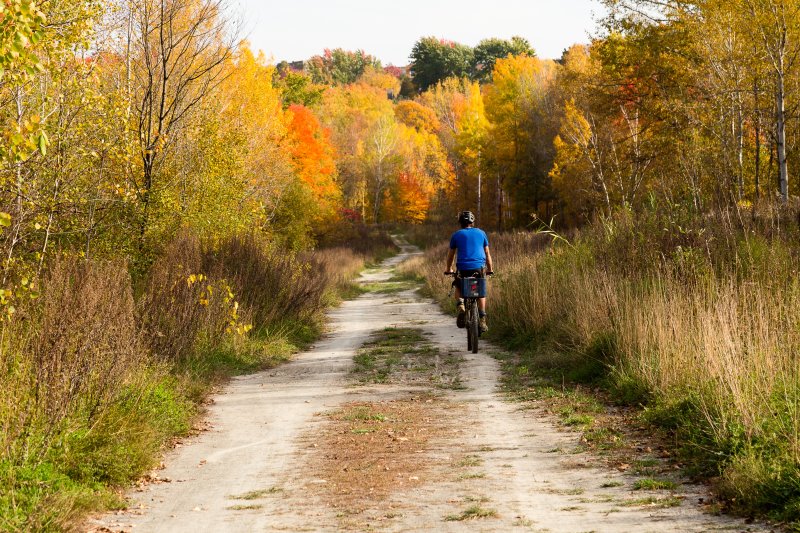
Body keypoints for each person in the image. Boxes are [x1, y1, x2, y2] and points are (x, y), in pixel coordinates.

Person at [444, 210, 494, 332]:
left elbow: (451, 255)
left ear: (460, 222)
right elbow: (487, 253)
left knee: (458, 286)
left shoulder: (456, 235)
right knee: (480, 291)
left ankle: (461, 304)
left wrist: (448, 269)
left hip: (463, 268)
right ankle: (482, 319)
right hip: (479, 268)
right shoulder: (481, 233)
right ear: (472, 221)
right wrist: (490, 269)